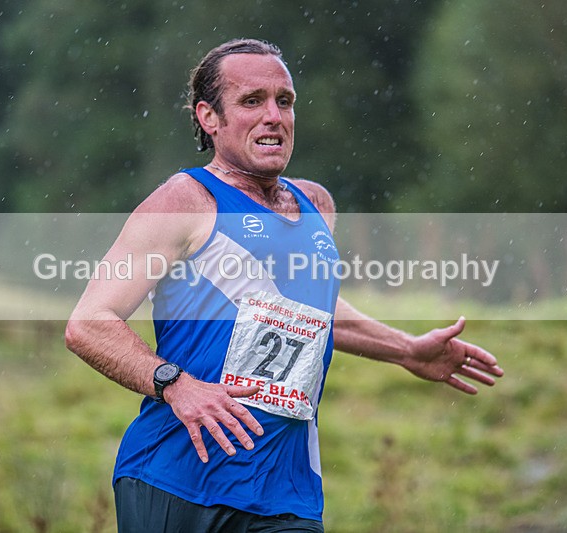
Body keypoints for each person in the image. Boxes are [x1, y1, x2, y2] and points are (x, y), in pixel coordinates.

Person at [65, 38, 504, 532]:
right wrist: (177, 386)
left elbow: (310, 312)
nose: (274, 115)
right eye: (252, 101)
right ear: (210, 118)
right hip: (179, 479)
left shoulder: (316, 205)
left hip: (287, 493)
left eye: (285, 101)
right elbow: (89, 323)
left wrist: (406, 350)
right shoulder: (184, 201)